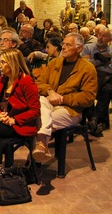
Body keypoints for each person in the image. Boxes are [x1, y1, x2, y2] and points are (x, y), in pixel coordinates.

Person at [32, 34, 98, 162]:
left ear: (79, 49)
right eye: (63, 44)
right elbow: (39, 83)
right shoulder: (54, 63)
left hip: (70, 110)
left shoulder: (88, 69)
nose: (63, 47)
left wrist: (62, 99)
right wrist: (50, 91)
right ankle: (41, 147)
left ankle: (37, 154)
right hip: (50, 103)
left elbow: (88, 97)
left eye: (68, 45)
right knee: (40, 101)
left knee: (38, 120)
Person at [0, 49, 40, 174]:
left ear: (13, 63)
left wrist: (14, 119)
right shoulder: (3, 79)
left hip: (19, 125)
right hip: (4, 121)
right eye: (0, 62)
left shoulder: (26, 81)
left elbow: (35, 111)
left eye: (3, 62)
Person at [81, 27, 112, 135]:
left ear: (110, 39)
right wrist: (100, 62)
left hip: (104, 80)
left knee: (107, 90)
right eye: (99, 35)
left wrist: (91, 63)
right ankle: (97, 122)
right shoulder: (87, 47)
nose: (100, 38)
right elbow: (81, 64)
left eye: (104, 36)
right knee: (86, 90)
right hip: (87, 79)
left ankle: (94, 119)